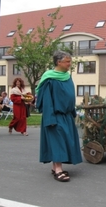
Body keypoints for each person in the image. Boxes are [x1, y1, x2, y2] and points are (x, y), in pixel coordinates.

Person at [36, 50, 83, 182]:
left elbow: (70, 96)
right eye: (67, 61)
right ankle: (58, 170)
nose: (70, 64)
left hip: (66, 115)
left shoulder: (67, 77)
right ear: (58, 62)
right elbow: (46, 100)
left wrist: (72, 112)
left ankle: (55, 167)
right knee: (58, 142)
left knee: (65, 140)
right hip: (54, 115)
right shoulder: (49, 79)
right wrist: (50, 118)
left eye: (70, 61)